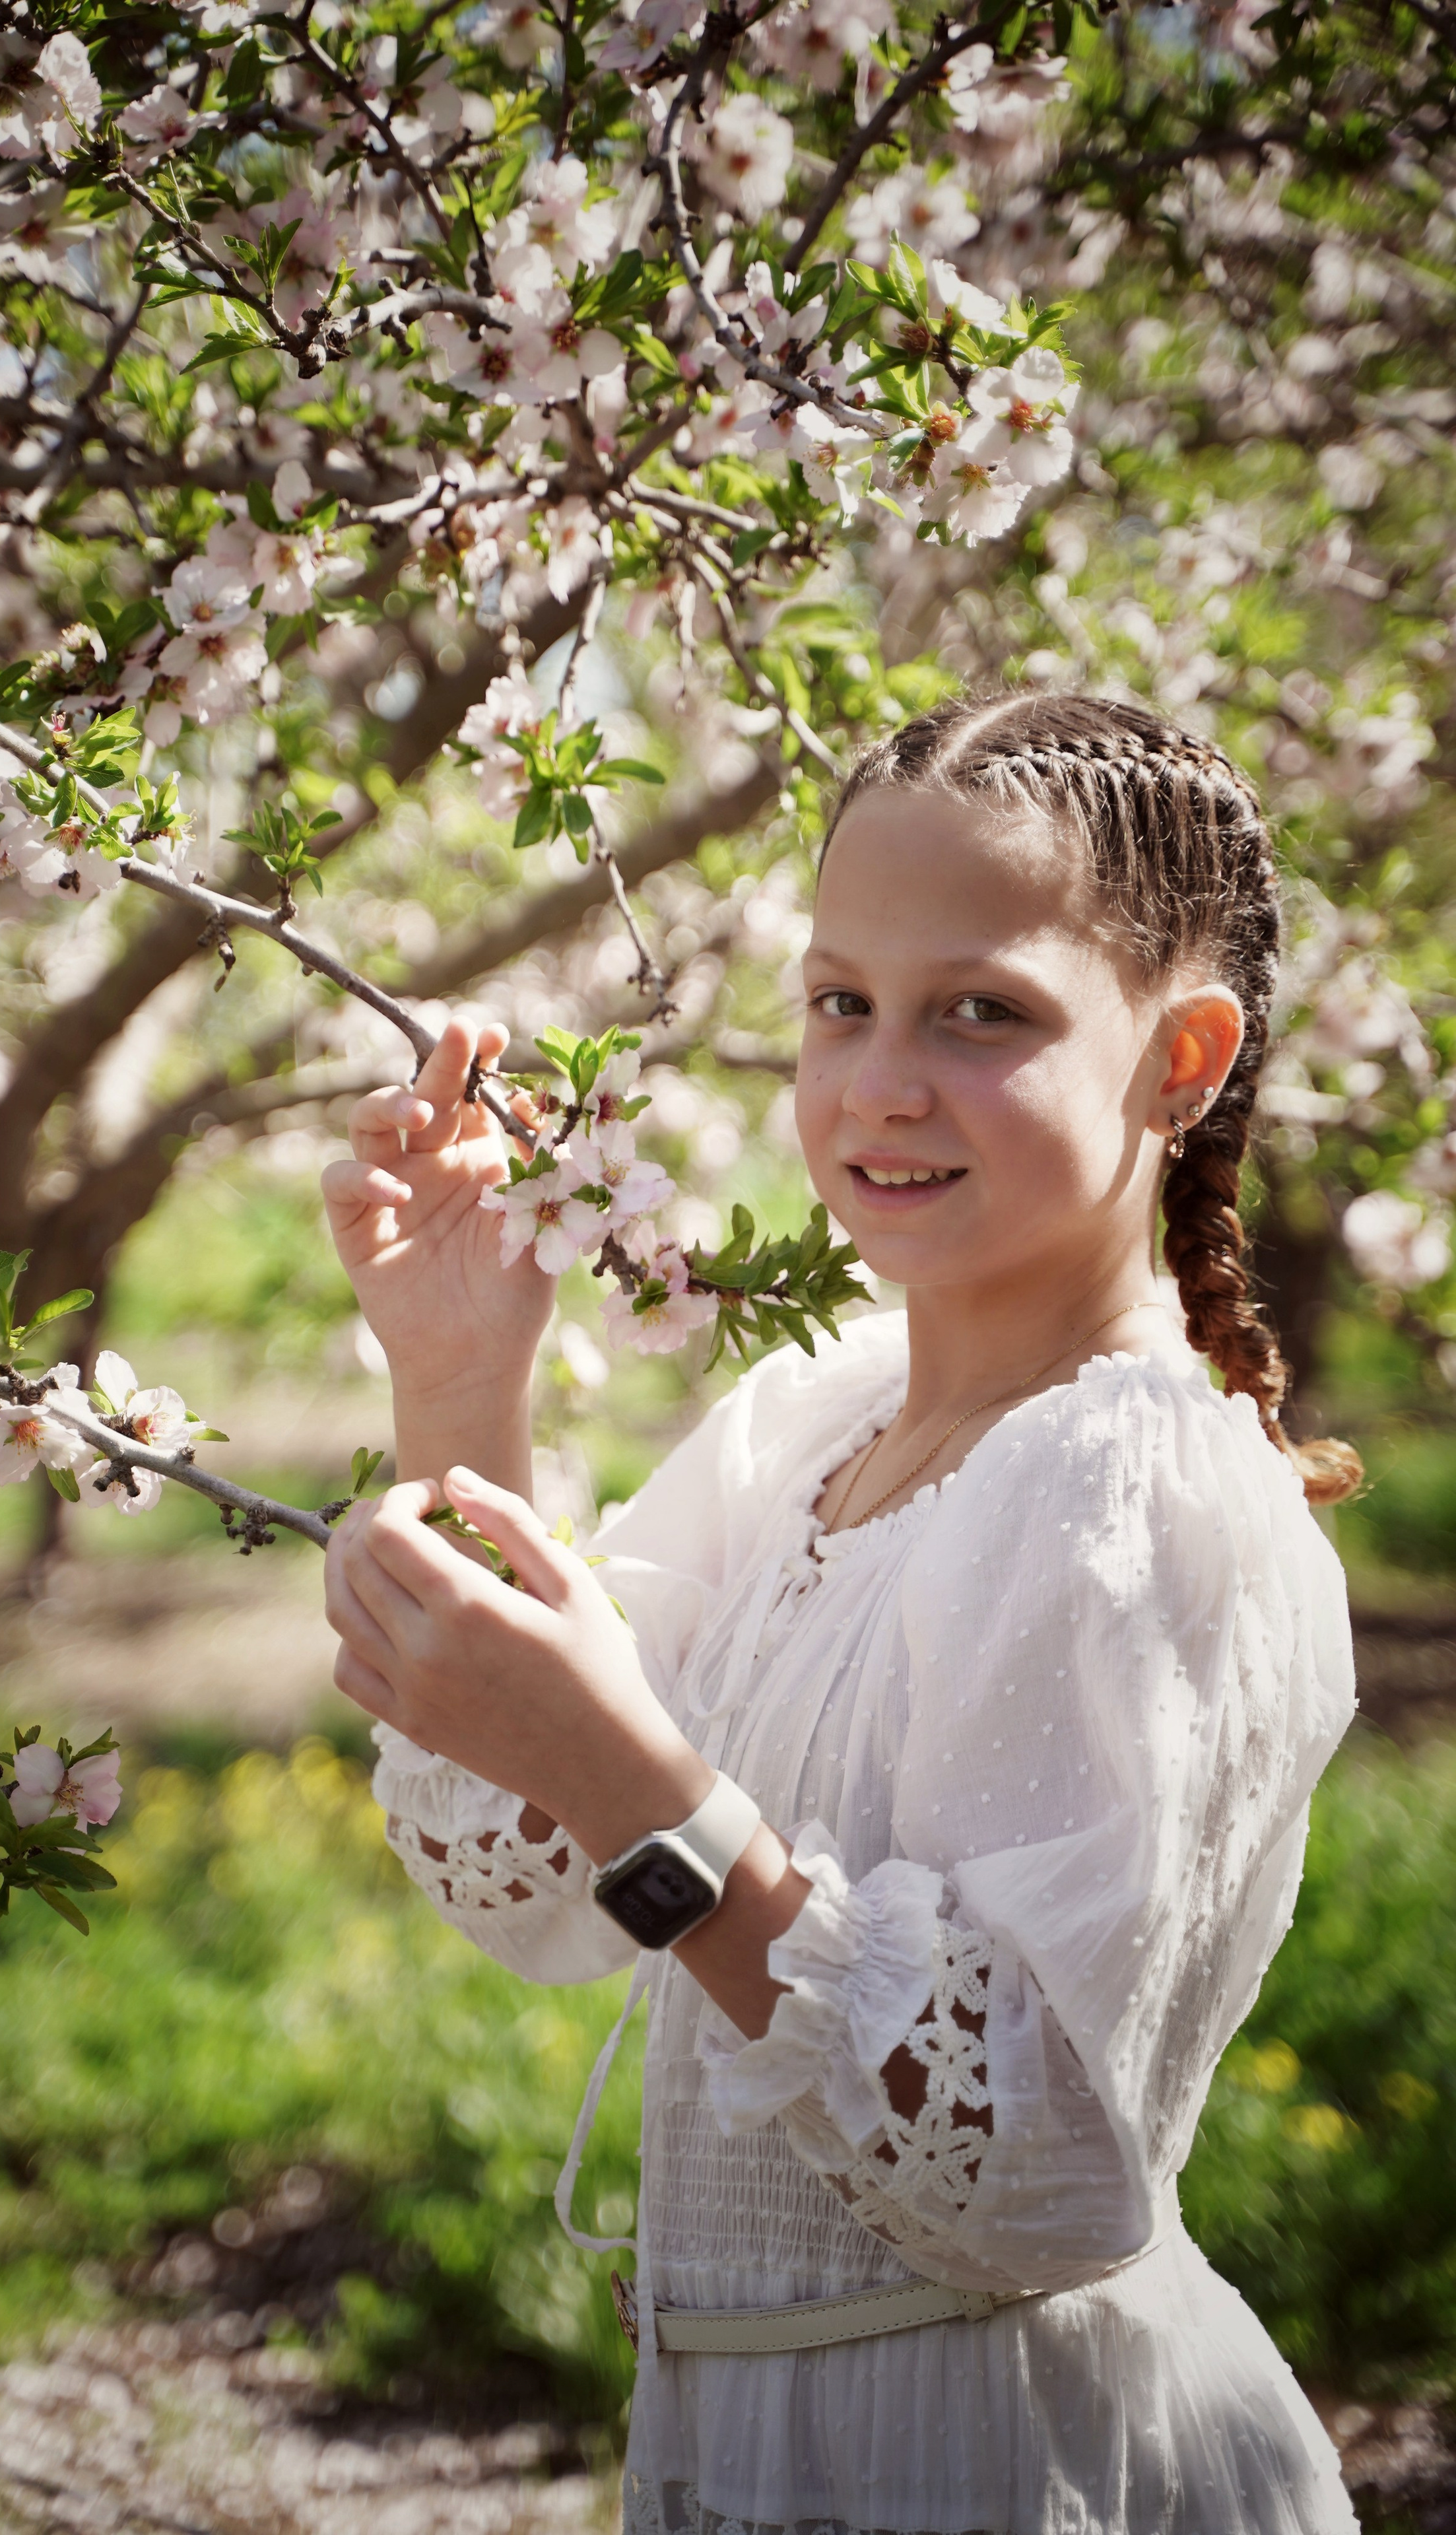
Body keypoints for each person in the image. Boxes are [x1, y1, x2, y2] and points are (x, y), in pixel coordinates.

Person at [319, 690, 1363, 2535]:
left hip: (1003, 2459)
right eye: (840, 1002)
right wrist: (462, 1395)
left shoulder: (1141, 1490)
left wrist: (643, 1783)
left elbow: (1038, 2176)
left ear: (1181, 1057)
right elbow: (528, 1874)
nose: (881, 1081)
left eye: (985, 1012)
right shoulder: (809, 1420)